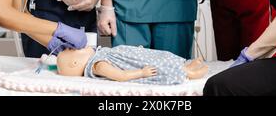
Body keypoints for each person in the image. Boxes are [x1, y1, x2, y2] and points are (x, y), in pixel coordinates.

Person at [57, 45, 208, 85]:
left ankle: (186, 65)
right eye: (72, 49)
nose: (76, 46)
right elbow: (121, 76)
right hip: (136, 65)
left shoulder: (97, 55)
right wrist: (141, 73)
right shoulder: (97, 65)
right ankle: (188, 73)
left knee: (160, 56)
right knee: (157, 66)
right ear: (74, 63)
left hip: (136, 57)